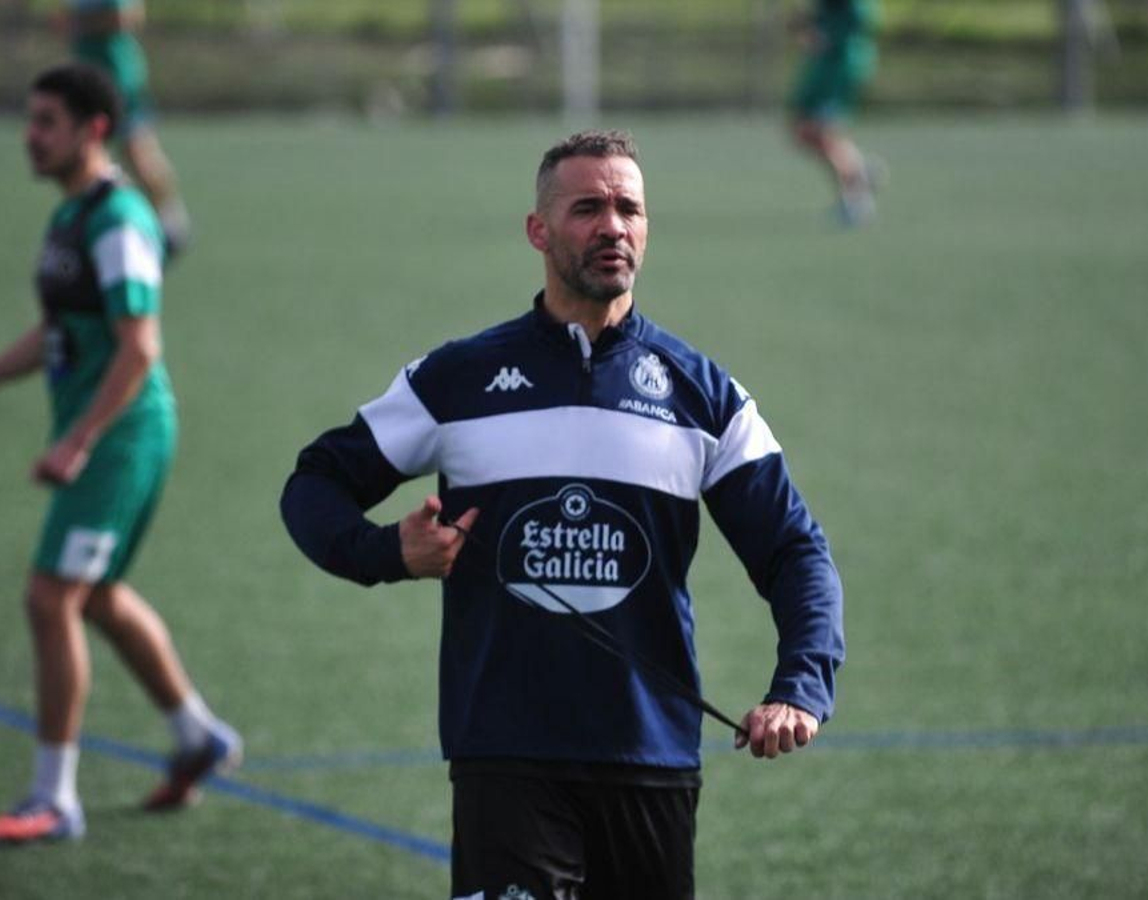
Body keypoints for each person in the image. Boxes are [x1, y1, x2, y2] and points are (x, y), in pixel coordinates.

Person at [280, 130, 844, 898]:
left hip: (652, 761)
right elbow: (315, 482)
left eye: (628, 209)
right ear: (538, 231)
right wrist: (386, 553)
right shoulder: (458, 379)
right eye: (588, 208)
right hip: (506, 756)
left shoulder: (703, 396)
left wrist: (799, 687)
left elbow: (794, 551)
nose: (612, 225)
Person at [0, 64, 240, 846]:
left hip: (121, 437)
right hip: (107, 434)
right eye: (31, 117)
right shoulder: (71, 218)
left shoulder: (119, 221)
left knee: (51, 595)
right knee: (95, 594)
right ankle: (197, 736)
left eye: (47, 120)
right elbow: (55, 333)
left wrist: (78, 440)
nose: (31, 133)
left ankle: (54, 799)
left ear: (91, 130)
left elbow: (138, 346)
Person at [66, 0, 191, 255]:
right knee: (86, 157)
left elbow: (125, 16)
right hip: (88, 74)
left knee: (138, 153)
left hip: (116, 76)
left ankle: (170, 224)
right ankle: (99, 225)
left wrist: (78, 23)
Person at [789, 0, 880, 226]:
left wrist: (827, 36)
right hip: (823, 66)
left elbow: (862, 19)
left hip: (840, 64)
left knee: (823, 133)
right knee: (803, 131)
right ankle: (859, 168)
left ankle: (857, 200)